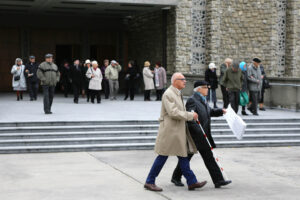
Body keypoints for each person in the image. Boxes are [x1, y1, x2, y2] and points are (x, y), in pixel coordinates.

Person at [144, 73, 207, 192]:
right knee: (162, 156)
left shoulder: (177, 92)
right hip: (170, 131)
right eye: (182, 79)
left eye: (184, 79)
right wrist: (190, 115)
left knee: (183, 156)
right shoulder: (168, 94)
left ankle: (192, 182)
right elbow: (173, 112)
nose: (185, 81)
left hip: (177, 131)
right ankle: (149, 181)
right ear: (175, 81)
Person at [171, 80, 232, 189]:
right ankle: (176, 177)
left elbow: (209, 112)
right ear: (198, 89)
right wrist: (199, 131)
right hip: (196, 136)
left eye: (207, 87)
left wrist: (220, 111)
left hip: (204, 135)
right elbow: (190, 117)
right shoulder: (192, 100)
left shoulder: (203, 100)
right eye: (205, 87)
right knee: (188, 157)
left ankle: (218, 180)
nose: (207, 89)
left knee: (208, 158)